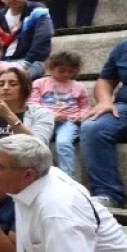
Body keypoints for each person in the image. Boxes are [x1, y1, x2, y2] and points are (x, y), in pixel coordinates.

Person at [80, 2, 127, 206]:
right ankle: (109, 194)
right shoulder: (123, 48)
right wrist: (104, 100)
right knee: (92, 127)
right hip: (126, 107)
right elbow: (105, 80)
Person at [29, 50, 90, 180]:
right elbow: (32, 103)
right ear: (51, 68)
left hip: (69, 122)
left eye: (71, 71)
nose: (66, 74)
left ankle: (68, 178)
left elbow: (85, 105)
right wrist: (49, 114)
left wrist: (82, 116)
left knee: (63, 143)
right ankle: (42, 176)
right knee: (38, 143)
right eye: (62, 71)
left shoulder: (79, 86)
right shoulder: (40, 83)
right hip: (45, 121)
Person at [0, 65, 54, 147]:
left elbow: (37, 147)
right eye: (1, 84)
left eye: (13, 84)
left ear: (25, 88)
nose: (5, 88)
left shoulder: (43, 114)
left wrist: (8, 115)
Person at [0, 0, 53, 80]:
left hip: (31, 61)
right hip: (3, 60)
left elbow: (44, 36)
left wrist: (27, 62)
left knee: (17, 79)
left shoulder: (37, 10)